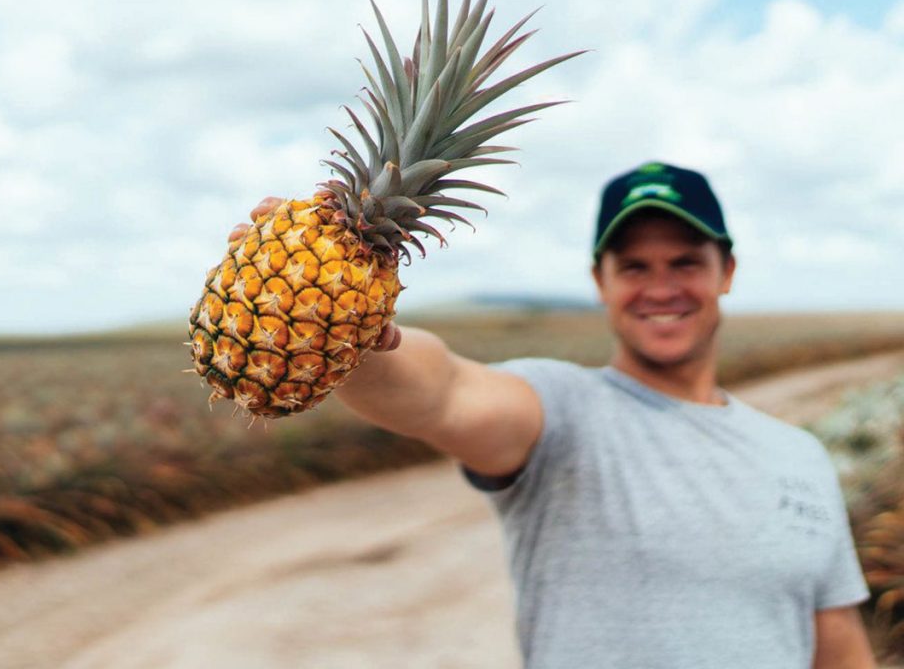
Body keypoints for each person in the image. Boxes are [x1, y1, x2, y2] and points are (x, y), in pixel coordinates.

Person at [237, 162, 876, 669]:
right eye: (633, 266)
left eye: (685, 262)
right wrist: (344, 321)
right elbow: (443, 393)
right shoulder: (562, 407)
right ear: (599, 281)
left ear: (727, 272)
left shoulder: (801, 456)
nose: (661, 287)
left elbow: (838, 644)